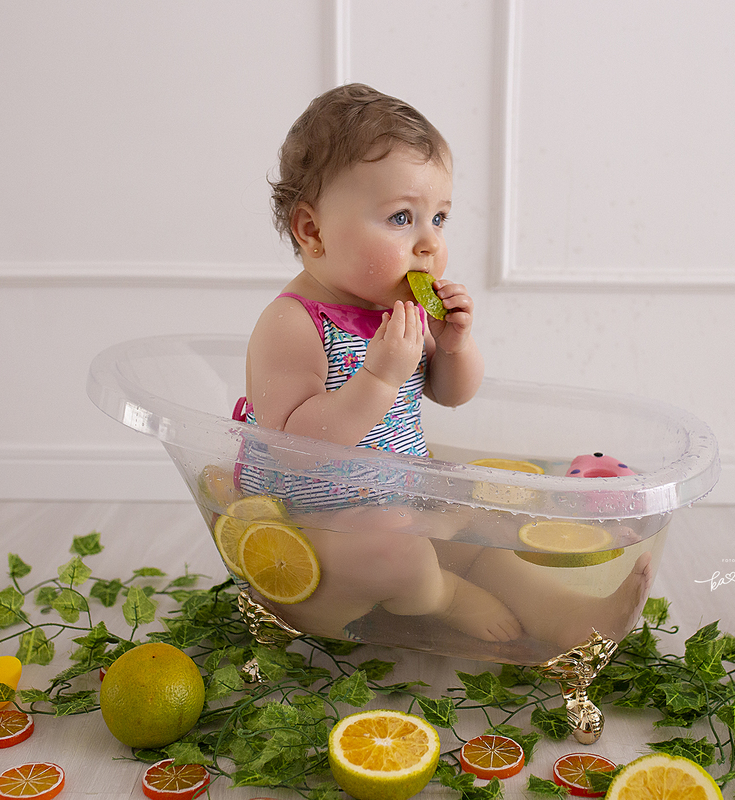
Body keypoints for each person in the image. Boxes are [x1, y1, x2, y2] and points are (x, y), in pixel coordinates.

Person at [240, 84, 650, 650]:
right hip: (318, 526)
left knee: (475, 528)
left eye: (440, 218)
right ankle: (444, 598)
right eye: (402, 217)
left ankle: (569, 618)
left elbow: (451, 394)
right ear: (313, 231)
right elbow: (290, 442)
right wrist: (379, 378)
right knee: (392, 543)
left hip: (399, 495)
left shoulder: (399, 310)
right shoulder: (293, 323)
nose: (430, 243)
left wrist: (454, 346)